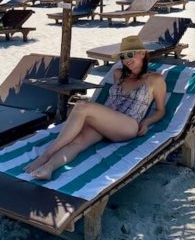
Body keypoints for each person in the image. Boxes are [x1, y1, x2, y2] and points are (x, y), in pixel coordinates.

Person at [24, 35, 167, 180]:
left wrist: (146, 122)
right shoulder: (118, 74)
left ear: (142, 54)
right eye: (123, 56)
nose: (126, 59)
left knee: (81, 105)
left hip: (128, 126)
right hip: (105, 123)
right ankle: (49, 167)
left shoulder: (155, 79)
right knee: (77, 142)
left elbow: (161, 110)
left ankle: (46, 155)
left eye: (130, 54)